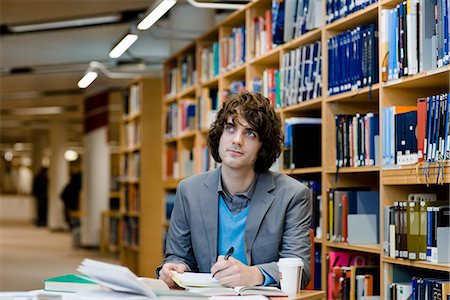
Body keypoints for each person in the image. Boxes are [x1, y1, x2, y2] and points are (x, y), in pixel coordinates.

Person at [158, 91, 311, 289]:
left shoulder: (293, 194)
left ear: (262, 147)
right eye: (230, 128)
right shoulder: (189, 191)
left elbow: (300, 268)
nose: (237, 140)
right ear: (219, 135)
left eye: (250, 133)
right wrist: (174, 269)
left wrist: (254, 274)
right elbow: (178, 256)